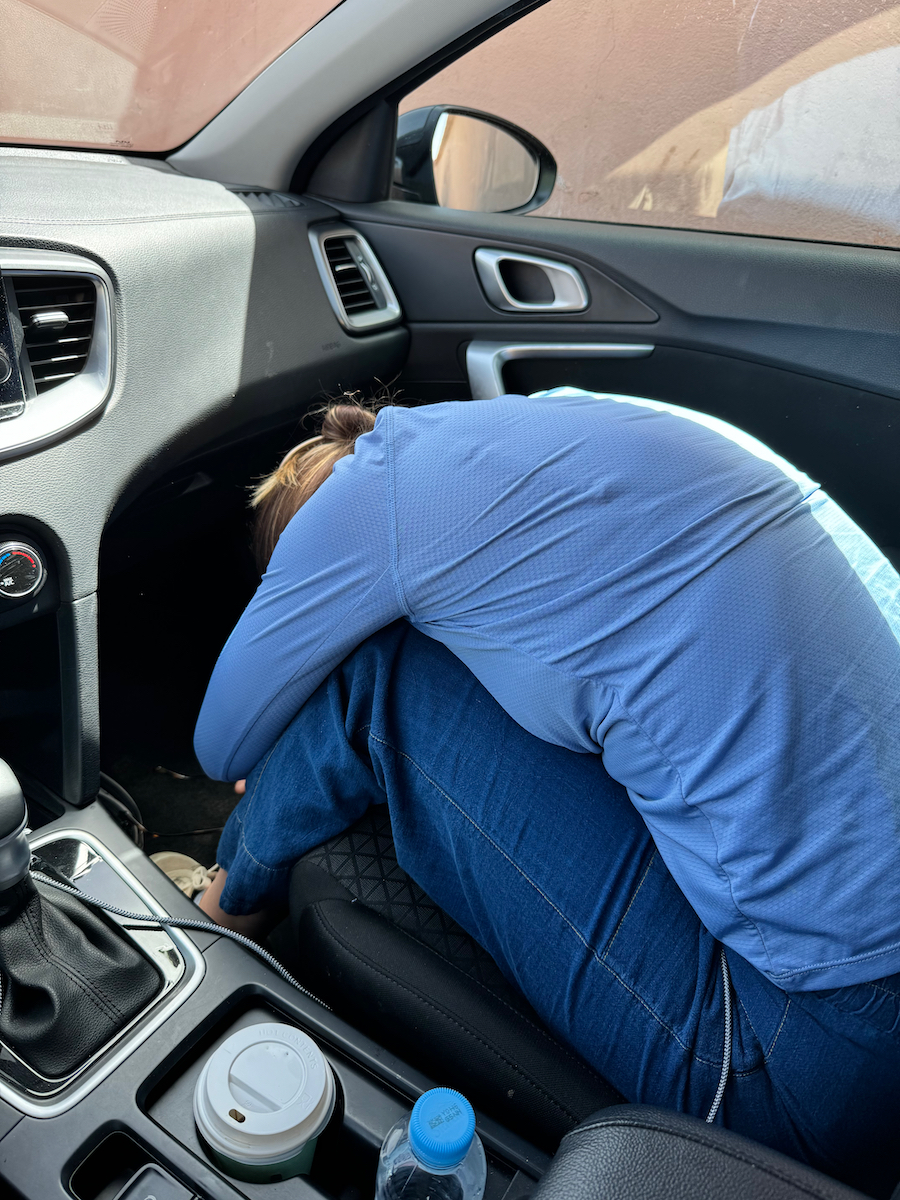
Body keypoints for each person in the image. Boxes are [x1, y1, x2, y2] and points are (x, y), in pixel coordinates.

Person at [194, 389, 900, 1193]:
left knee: (376, 676)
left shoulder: (363, 504)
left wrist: (297, 720)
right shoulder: (577, 422)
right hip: (861, 985)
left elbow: (221, 746)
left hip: (808, 1063)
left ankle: (218, 914)